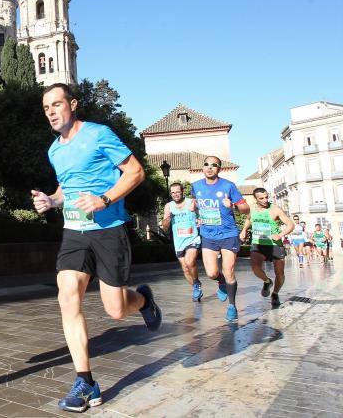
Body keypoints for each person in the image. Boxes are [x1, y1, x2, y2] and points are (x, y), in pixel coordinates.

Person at [31, 83, 161, 413]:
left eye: (56, 105)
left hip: (108, 230)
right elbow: (66, 187)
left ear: (72, 104)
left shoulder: (99, 134)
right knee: (67, 294)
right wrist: (52, 200)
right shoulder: (54, 150)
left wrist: (104, 199)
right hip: (75, 232)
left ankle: (143, 298)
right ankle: (85, 381)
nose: (51, 112)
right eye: (46, 108)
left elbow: (136, 172)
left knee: (116, 309)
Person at [191, 156, 250, 322]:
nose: (209, 167)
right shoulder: (195, 186)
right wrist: (195, 211)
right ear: (203, 167)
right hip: (208, 234)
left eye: (214, 165)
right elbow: (197, 205)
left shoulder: (228, 186)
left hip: (228, 234)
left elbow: (246, 209)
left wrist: (232, 205)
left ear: (219, 169)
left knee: (228, 269)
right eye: (206, 164)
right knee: (211, 273)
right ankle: (221, 282)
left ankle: (232, 306)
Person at [239, 188, 293, 307]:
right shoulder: (252, 208)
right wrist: (244, 230)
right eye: (261, 198)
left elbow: (290, 225)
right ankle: (267, 281)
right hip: (258, 243)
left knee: (280, 273)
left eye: (266, 197)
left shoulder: (275, 209)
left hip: (274, 244)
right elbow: (249, 220)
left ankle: (275, 293)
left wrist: (280, 235)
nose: (265, 200)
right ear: (256, 199)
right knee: (255, 268)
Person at [161, 182, 203, 301]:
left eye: (178, 192)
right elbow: (164, 226)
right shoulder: (168, 206)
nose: (175, 195)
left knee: (190, 262)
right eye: (173, 193)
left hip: (192, 238)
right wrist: (167, 219)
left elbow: (202, 215)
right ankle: (196, 285)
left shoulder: (191, 202)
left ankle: (196, 284)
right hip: (179, 241)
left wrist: (199, 218)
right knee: (185, 268)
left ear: (182, 191)